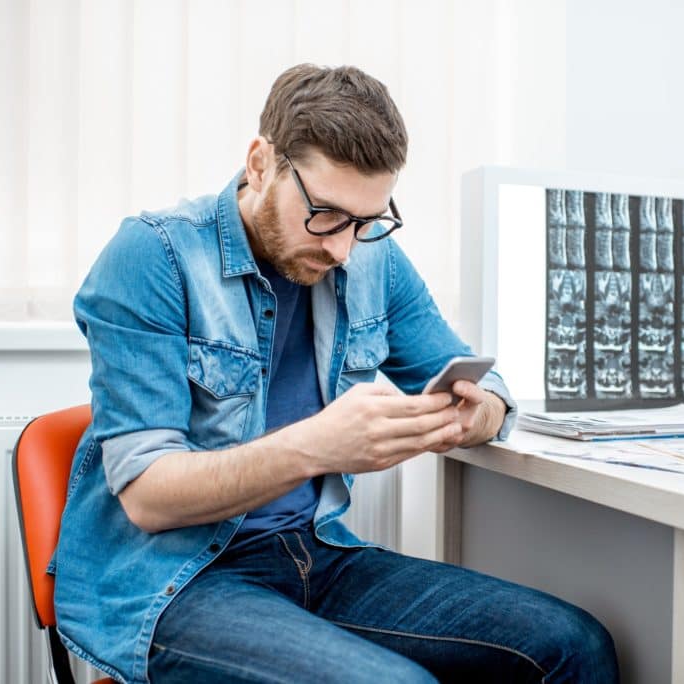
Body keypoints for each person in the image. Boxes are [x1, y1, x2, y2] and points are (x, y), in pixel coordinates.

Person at [54, 63, 619, 684]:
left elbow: (485, 387)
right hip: (174, 580)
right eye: (325, 214)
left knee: (574, 645)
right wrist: (316, 445)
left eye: (365, 220)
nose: (343, 248)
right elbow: (147, 494)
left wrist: (471, 415)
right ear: (261, 163)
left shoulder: (372, 256)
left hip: (315, 553)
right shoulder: (153, 256)